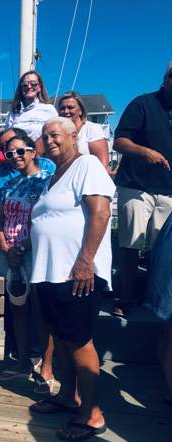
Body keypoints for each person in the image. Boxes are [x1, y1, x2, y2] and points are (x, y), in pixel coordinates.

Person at [29, 117, 114, 441]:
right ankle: (68, 397)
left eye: (55, 134)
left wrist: (84, 262)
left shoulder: (87, 165)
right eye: (45, 135)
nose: (49, 140)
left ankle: (92, 414)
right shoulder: (54, 177)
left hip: (75, 273)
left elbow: (101, 213)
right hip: (50, 273)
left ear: (74, 135)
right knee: (63, 340)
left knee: (78, 340)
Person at [0, 133, 55, 394]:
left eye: (21, 151)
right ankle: (21, 364)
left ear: (33, 152)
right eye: (10, 154)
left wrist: (23, 247)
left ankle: (47, 368)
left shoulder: (47, 182)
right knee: (17, 309)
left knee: (41, 311)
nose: (15, 157)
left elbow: (47, 219)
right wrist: (7, 248)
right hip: (10, 255)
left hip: (34, 252)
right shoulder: (10, 186)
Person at [112, 62, 172, 317]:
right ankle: (126, 296)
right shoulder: (143, 103)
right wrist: (143, 152)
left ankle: (153, 297)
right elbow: (119, 141)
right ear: (166, 78)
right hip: (136, 186)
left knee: (163, 250)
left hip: (168, 190)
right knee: (130, 243)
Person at [57, 92, 110, 171]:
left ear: (80, 111)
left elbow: (102, 165)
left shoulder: (92, 129)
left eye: (70, 107)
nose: (66, 111)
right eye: (62, 108)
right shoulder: (57, 132)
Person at [5, 70, 57, 146]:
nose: (29, 87)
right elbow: (7, 137)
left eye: (33, 84)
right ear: (21, 88)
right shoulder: (13, 113)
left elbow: (56, 133)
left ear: (39, 87)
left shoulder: (49, 109)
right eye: (25, 84)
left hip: (42, 155)